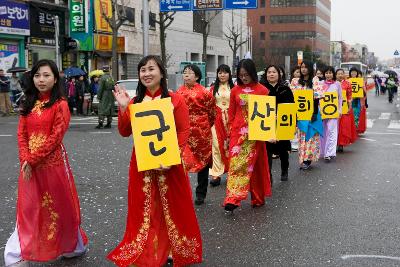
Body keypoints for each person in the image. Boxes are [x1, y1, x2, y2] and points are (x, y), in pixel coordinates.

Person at [107, 55, 202, 266]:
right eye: (142, 70)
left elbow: (184, 130)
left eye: (151, 69)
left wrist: (173, 155)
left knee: (173, 205)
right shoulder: (135, 102)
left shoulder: (175, 99)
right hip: (142, 163)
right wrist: (123, 108)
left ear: (161, 72)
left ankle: (172, 248)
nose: (146, 74)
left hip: (170, 164)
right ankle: (149, 248)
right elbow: (124, 132)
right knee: (145, 206)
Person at [4, 59, 88, 266]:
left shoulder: (61, 105)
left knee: (61, 206)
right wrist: (25, 158)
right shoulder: (28, 102)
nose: (41, 80)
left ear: (55, 78)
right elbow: (21, 133)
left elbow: (55, 138)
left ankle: (71, 245)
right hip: (30, 167)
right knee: (29, 207)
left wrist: (32, 159)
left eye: (46, 75)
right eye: (37, 75)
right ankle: (19, 251)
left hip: (53, 164)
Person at [223, 59, 272, 212]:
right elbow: (231, 114)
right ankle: (233, 198)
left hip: (256, 133)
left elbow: (268, 114)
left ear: (252, 73)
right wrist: (228, 135)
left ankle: (257, 197)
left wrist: (270, 133)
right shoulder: (235, 90)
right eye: (241, 75)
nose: (244, 78)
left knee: (256, 166)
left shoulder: (263, 90)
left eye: (246, 75)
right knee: (236, 165)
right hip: (238, 133)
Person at [177, 64, 216, 205]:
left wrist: (205, 125)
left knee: (203, 162)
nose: (186, 75)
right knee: (182, 162)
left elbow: (212, 112)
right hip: (184, 132)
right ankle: (182, 192)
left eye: (190, 73)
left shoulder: (205, 92)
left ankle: (201, 193)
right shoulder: (178, 93)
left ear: (197, 76)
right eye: (184, 72)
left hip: (202, 132)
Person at [260, 65, 294, 182]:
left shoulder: (285, 89)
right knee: (267, 150)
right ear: (266, 74)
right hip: (266, 123)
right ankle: (268, 175)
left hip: (283, 123)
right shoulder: (262, 89)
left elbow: (291, 108)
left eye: (274, 72)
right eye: (269, 72)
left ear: (279, 74)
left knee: (283, 149)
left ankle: (284, 170)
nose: (271, 74)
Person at [290, 61, 324, 170]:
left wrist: (314, 113)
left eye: (305, 67)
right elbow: (292, 97)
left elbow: (317, 98)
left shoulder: (315, 80)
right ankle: (302, 159)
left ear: (310, 68)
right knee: (301, 137)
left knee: (311, 136)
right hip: (300, 113)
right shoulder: (295, 81)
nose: (303, 69)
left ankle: (308, 159)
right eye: (302, 67)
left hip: (312, 112)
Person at [209, 64, 233, 186]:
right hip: (216, 120)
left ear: (229, 74)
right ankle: (216, 173)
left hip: (231, 120)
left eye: (225, 72)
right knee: (216, 145)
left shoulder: (235, 88)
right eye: (220, 72)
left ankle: (232, 172)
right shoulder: (212, 88)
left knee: (230, 146)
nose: (222, 75)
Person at [319, 66, 342, 162]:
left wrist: (340, 110)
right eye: (327, 73)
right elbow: (316, 97)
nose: (328, 75)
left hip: (333, 111)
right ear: (324, 74)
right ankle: (323, 151)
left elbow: (340, 98)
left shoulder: (337, 84)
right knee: (323, 131)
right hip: (322, 111)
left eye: (330, 73)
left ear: (333, 74)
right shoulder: (320, 84)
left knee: (332, 131)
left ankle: (329, 153)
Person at [336, 68, 357, 152]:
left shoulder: (347, 84)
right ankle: (333, 143)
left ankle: (341, 144)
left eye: (342, 74)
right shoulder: (333, 83)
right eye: (338, 74)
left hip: (344, 108)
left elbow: (349, 97)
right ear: (336, 75)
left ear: (344, 75)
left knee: (343, 127)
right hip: (333, 108)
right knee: (334, 127)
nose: (340, 75)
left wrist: (349, 107)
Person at [349, 67, 367, 134]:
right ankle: (351, 129)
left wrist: (362, 88)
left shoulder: (360, 81)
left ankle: (355, 130)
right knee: (350, 116)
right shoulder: (348, 81)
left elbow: (364, 92)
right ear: (350, 73)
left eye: (355, 72)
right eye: (352, 72)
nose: (353, 73)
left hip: (357, 101)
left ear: (357, 73)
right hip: (349, 102)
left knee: (356, 115)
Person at [290, 66, 301, 152]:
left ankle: (297, 142)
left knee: (299, 124)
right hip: (294, 104)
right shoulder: (293, 81)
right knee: (294, 123)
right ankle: (293, 143)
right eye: (296, 72)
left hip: (302, 105)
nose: (298, 73)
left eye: (299, 72)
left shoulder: (304, 81)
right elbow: (292, 92)